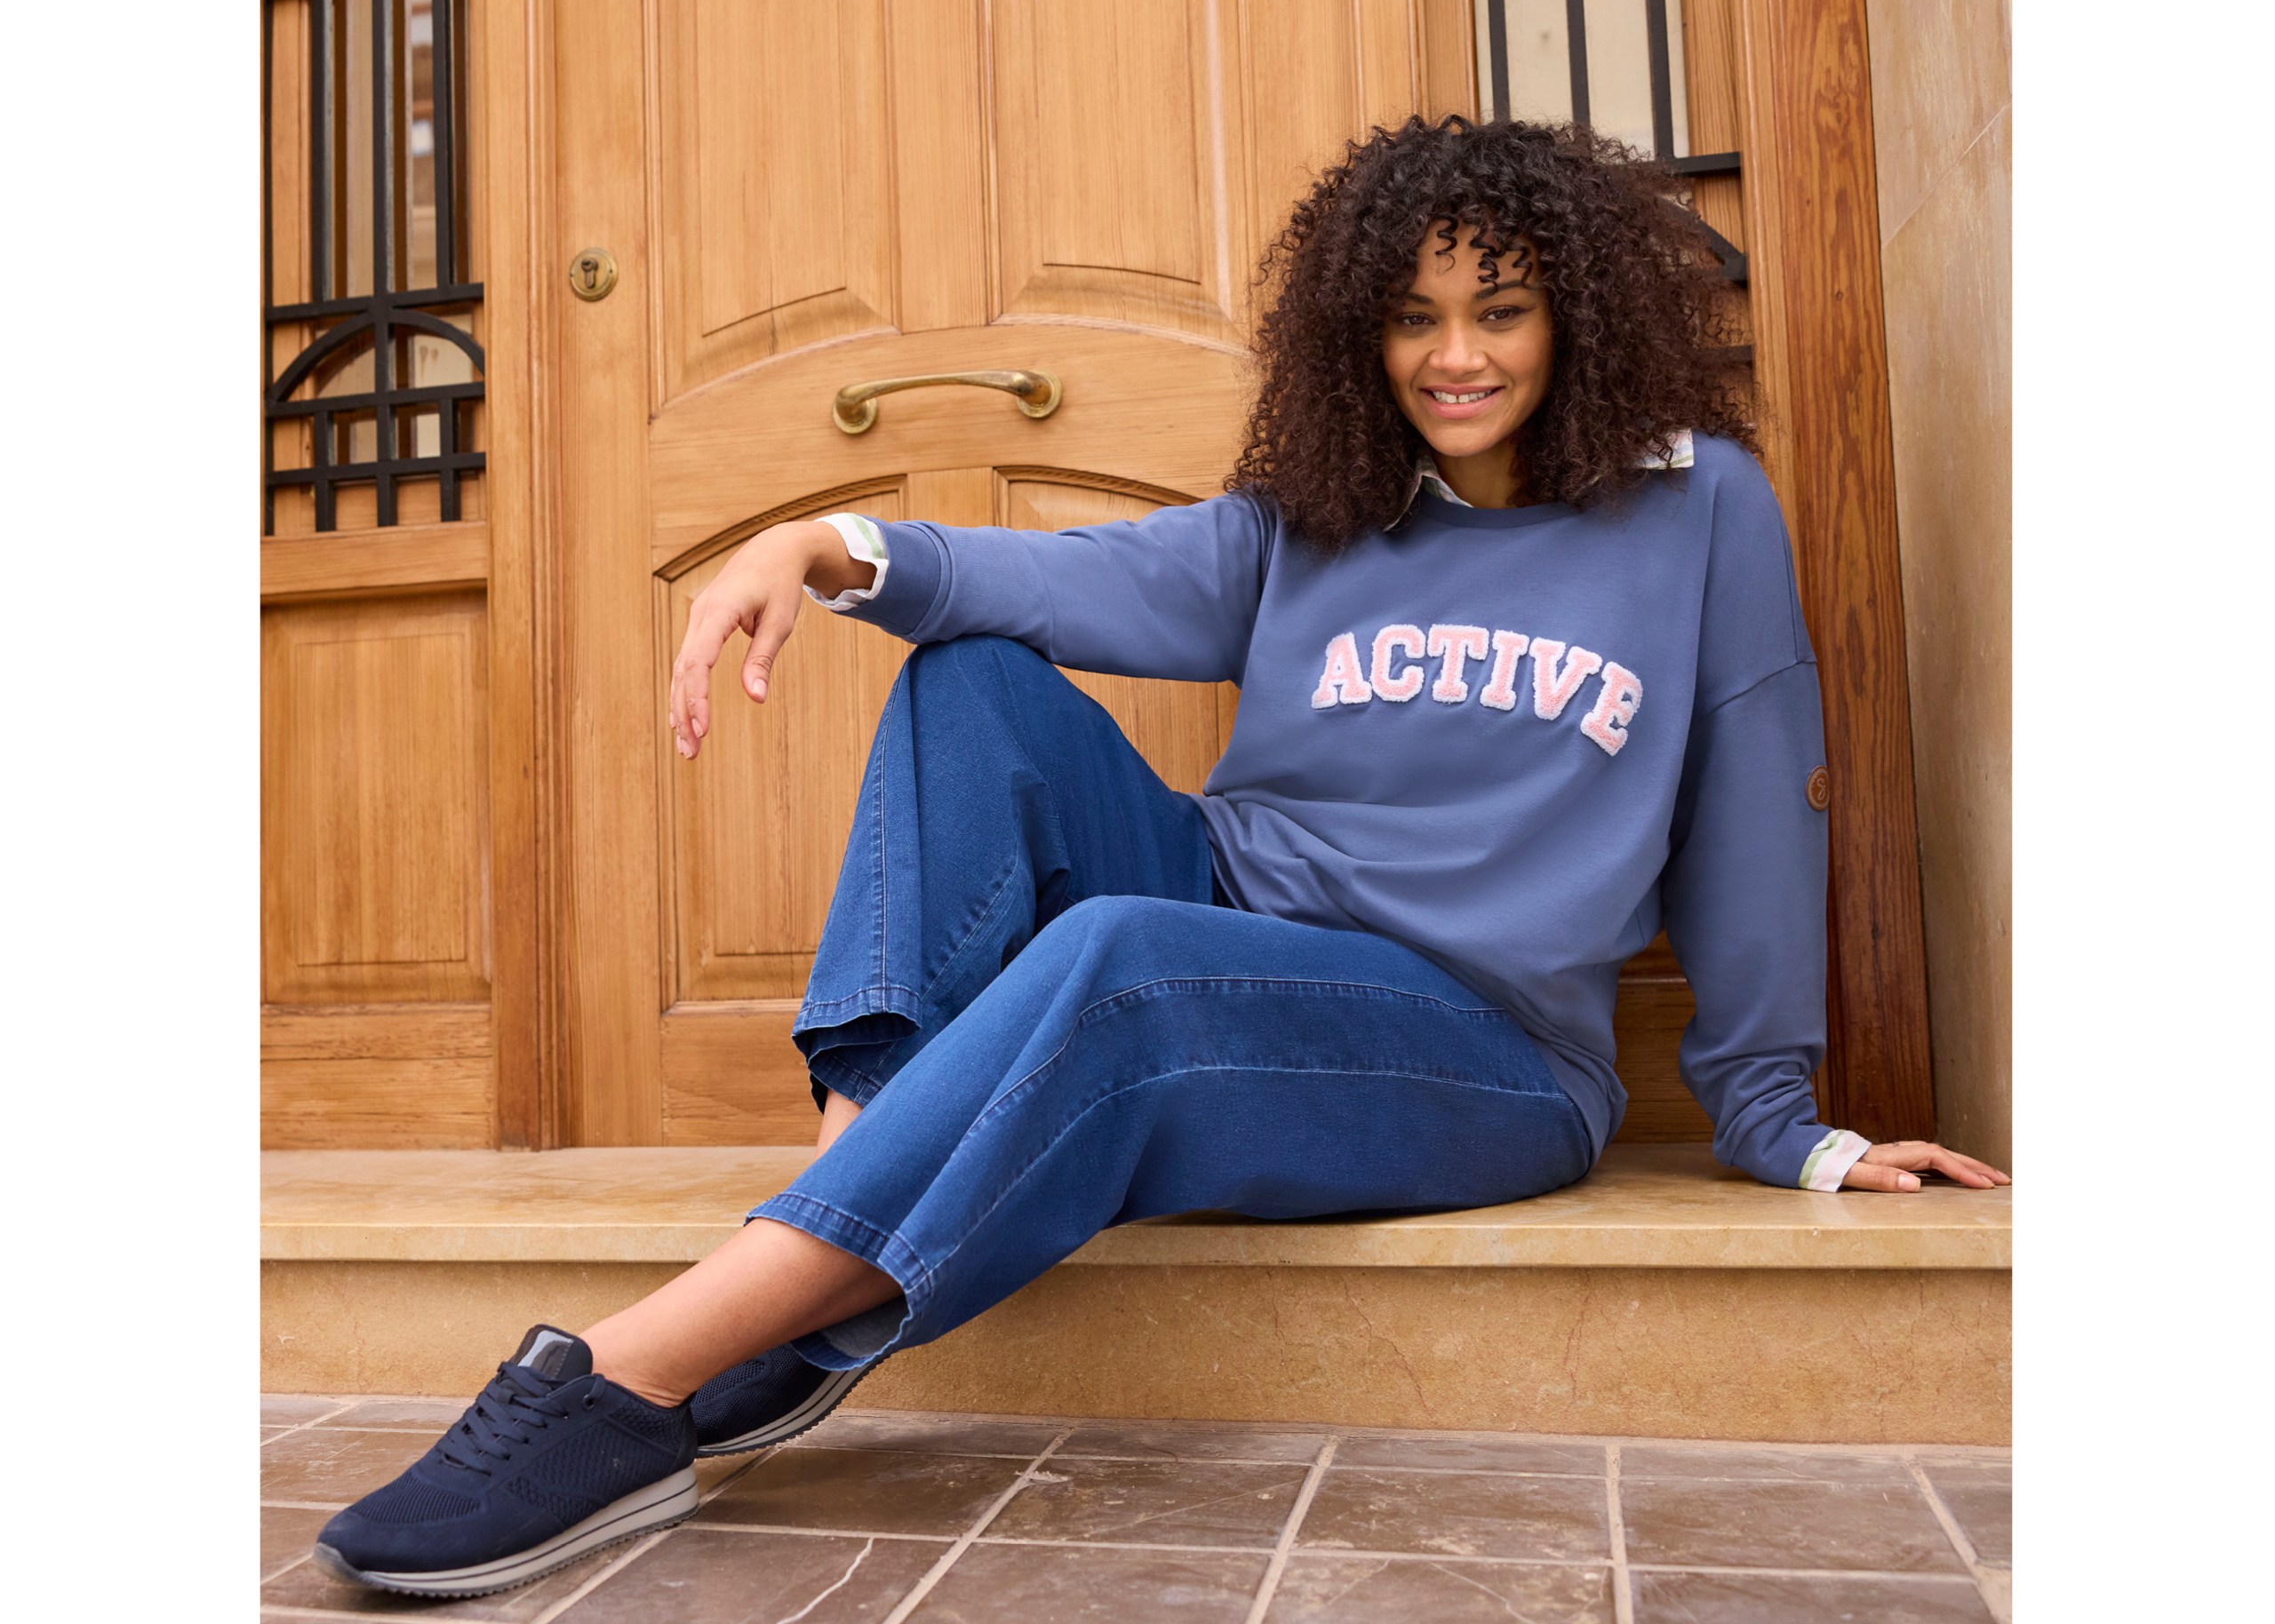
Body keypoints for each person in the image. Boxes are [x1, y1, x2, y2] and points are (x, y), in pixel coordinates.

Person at [313, 115, 2008, 1596]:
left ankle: (633, 1375)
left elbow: (1761, 798)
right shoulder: (1325, 512)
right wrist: (820, 541)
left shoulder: (1695, 503)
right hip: (1234, 910)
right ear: (1363, 334)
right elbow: (1057, 584)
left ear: (1574, 312)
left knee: (1125, 961)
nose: (1455, 358)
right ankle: (842, 1206)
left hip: (1481, 1045)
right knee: (970, 682)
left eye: (1499, 309)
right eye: (1412, 319)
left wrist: (1783, 1119)